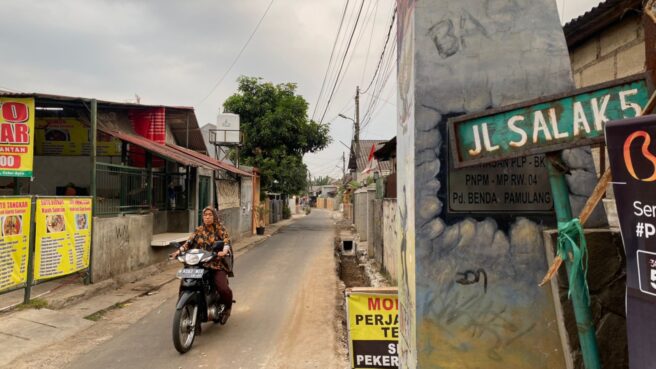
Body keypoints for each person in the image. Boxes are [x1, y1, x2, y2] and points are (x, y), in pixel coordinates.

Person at [170, 207, 233, 319]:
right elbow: (188, 243)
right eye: (205, 215)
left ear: (214, 216)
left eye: (210, 214)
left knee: (223, 288)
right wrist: (178, 251)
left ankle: (227, 307)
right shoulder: (198, 230)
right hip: (199, 264)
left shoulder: (220, 229)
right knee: (186, 283)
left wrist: (224, 251)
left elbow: (226, 241)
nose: (207, 217)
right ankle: (186, 308)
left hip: (215, 264)